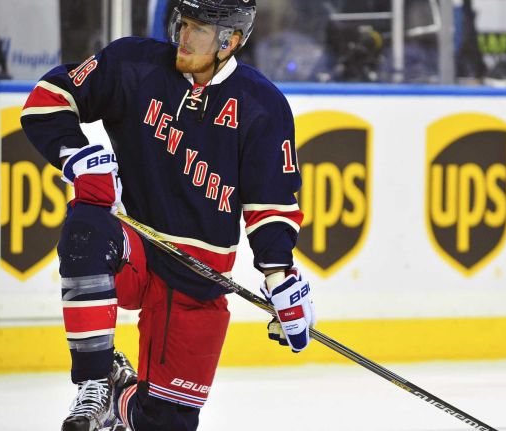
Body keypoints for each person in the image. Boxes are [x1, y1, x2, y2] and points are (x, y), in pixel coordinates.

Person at [20, 1, 315, 430]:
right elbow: (47, 99)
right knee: (86, 226)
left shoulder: (262, 105)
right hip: (133, 247)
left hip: (198, 275)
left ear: (229, 41)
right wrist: (77, 158)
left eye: (199, 30)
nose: (184, 36)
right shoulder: (133, 64)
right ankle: (95, 378)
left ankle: (120, 397)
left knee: (165, 423)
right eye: (184, 23)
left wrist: (280, 278)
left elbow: (269, 204)